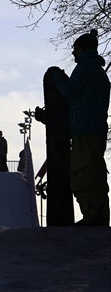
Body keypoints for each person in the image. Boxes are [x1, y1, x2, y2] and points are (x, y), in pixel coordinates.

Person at [51, 29, 110, 226]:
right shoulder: (97, 71)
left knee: (82, 172)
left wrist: (57, 77)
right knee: (94, 172)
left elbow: (69, 91)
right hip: (95, 130)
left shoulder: (86, 68)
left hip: (84, 130)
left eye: (75, 49)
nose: (73, 53)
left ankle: (92, 215)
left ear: (82, 49)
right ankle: (98, 213)